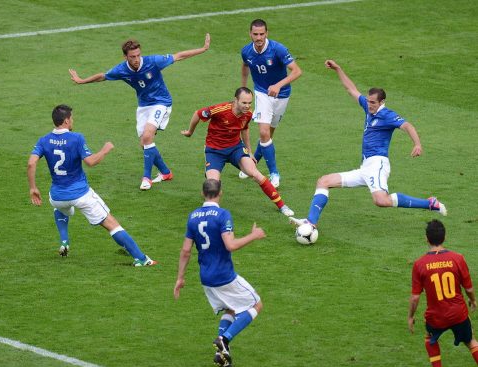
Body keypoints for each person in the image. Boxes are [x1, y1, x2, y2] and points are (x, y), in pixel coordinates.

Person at [289, 59, 447, 232]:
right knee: (324, 181)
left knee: (381, 201)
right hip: (365, 167)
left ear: (382, 102)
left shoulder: (387, 115)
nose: (369, 105)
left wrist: (417, 144)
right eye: (368, 101)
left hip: (377, 164)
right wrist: (338, 69)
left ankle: (429, 203)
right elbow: (351, 89)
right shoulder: (368, 107)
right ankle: (311, 222)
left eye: (373, 102)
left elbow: (407, 126)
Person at [69, 34, 210, 190]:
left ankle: (146, 178)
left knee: (148, 135)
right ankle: (165, 172)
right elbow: (102, 76)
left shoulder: (153, 62)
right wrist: (82, 80)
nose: (136, 59)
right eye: (132, 56)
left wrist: (203, 49)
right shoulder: (121, 70)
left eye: (138, 55)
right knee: (144, 144)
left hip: (161, 103)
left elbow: (178, 56)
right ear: (125, 57)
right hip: (144, 106)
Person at [27, 104, 157, 267]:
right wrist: (105, 150)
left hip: (57, 196)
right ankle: (142, 259)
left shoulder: (44, 140)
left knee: (60, 208)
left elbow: (31, 163)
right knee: (111, 224)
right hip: (81, 195)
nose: (73, 120)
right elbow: (91, 162)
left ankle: (64, 241)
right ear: (66, 121)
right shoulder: (76, 138)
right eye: (71, 118)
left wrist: (33, 188)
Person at [174, 179, 265, 367]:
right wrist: (253, 235)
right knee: (256, 304)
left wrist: (180, 278)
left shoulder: (193, 216)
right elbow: (230, 245)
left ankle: (222, 355)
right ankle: (225, 339)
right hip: (224, 275)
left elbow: (185, 251)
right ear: (220, 193)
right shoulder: (222, 215)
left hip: (206, 278)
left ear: (202, 193)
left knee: (230, 309)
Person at [181, 87, 294, 217]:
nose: (247, 106)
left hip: (235, 148)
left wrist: (250, 152)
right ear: (236, 100)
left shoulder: (248, 114)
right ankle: (212, 211)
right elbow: (198, 114)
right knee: (213, 185)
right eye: (244, 103)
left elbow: (244, 129)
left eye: (250, 103)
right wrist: (190, 132)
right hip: (215, 151)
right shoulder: (220, 109)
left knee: (255, 173)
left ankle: (282, 206)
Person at [238, 18, 302, 188]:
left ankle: (252, 162)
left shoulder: (277, 49)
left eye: (261, 34)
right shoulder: (246, 51)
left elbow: (297, 71)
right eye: (255, 34)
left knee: (268, 135)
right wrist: (243, 91)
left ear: (267, 33)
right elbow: (245, 67)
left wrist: (279, 85)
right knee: (264, 132)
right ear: (250, 34)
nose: (258, 38)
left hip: (282, 94)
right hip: (262, 93)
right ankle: (274, 173)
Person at [408, 220, 478, 367]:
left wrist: (411, 316)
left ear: (426, 239)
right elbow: (469, 289)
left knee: (430, 338)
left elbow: (415, 297)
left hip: (436, 317)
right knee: (471, 342)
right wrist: (473, 300)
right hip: (458, 313)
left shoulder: (419, 264)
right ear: (444, 237)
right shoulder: (457, 258)